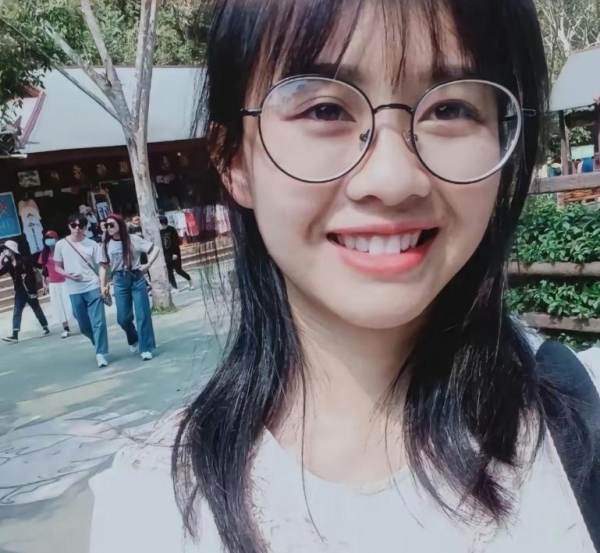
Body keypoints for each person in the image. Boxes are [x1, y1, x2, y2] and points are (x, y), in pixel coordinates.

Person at [90, 1, 598, 552]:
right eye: (325, 110)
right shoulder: (152, 514)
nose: (393, 179)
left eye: (450, 108)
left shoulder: (577, 427)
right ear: (233, 159)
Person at [98, 214, 158, 361]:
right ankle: (133, 338)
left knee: (142, 314)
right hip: (119, 280)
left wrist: (148, 264)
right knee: (123, 318)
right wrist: (102, 286)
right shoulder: (106, 244)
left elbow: (155, 249)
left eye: (112, 225)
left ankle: (146, 348)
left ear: (120, 225)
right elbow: (103, 266)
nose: (109, 228)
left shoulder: (133, 239)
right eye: (106, 225)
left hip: (136, 277)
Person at [54, 213, 109, 368]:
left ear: (85, 228)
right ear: (69, 226)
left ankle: (101, 353)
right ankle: (97, 342)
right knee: (83, 324)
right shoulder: (61, 244)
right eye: (74, 225)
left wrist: (103, 284)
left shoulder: (92, 244)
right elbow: (57, 266)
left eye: (81, 226)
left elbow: (102, 266)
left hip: (92, 285)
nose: (77, 228)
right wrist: (67, 274)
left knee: (98, 322)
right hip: (74, 289)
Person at [0, 240, 49, 343]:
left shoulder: (24, 261)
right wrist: (1, 260)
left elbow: (31, 277)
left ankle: (45, 328)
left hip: (29, 289)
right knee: (17, 311)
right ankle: (15, 335)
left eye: (6, 249)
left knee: (36, 309)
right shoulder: (8, 264)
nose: (5, 251)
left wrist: (33, 292)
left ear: (12, 250)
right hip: (19, 290)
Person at [39, 230, 73, 339]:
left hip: (65, 281)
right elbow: (44, 270)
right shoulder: (44, 254)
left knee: (70, 304)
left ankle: (83, 322)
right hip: (53, 284)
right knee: (59, 306)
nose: (49, 240)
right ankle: (66, 328)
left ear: (56, 239)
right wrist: (44, 283)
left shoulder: (62, 250)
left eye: (51, 238)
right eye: (47, 238)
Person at [159, 215, 194, 291]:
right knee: (169, 271)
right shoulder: (159, 231)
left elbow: (175, 242)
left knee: (178, 270)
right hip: (166, 254)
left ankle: (189, 279)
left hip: (175, 253)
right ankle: (175, 287)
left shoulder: (172, 229)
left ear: (163, 223)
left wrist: (174, 253)